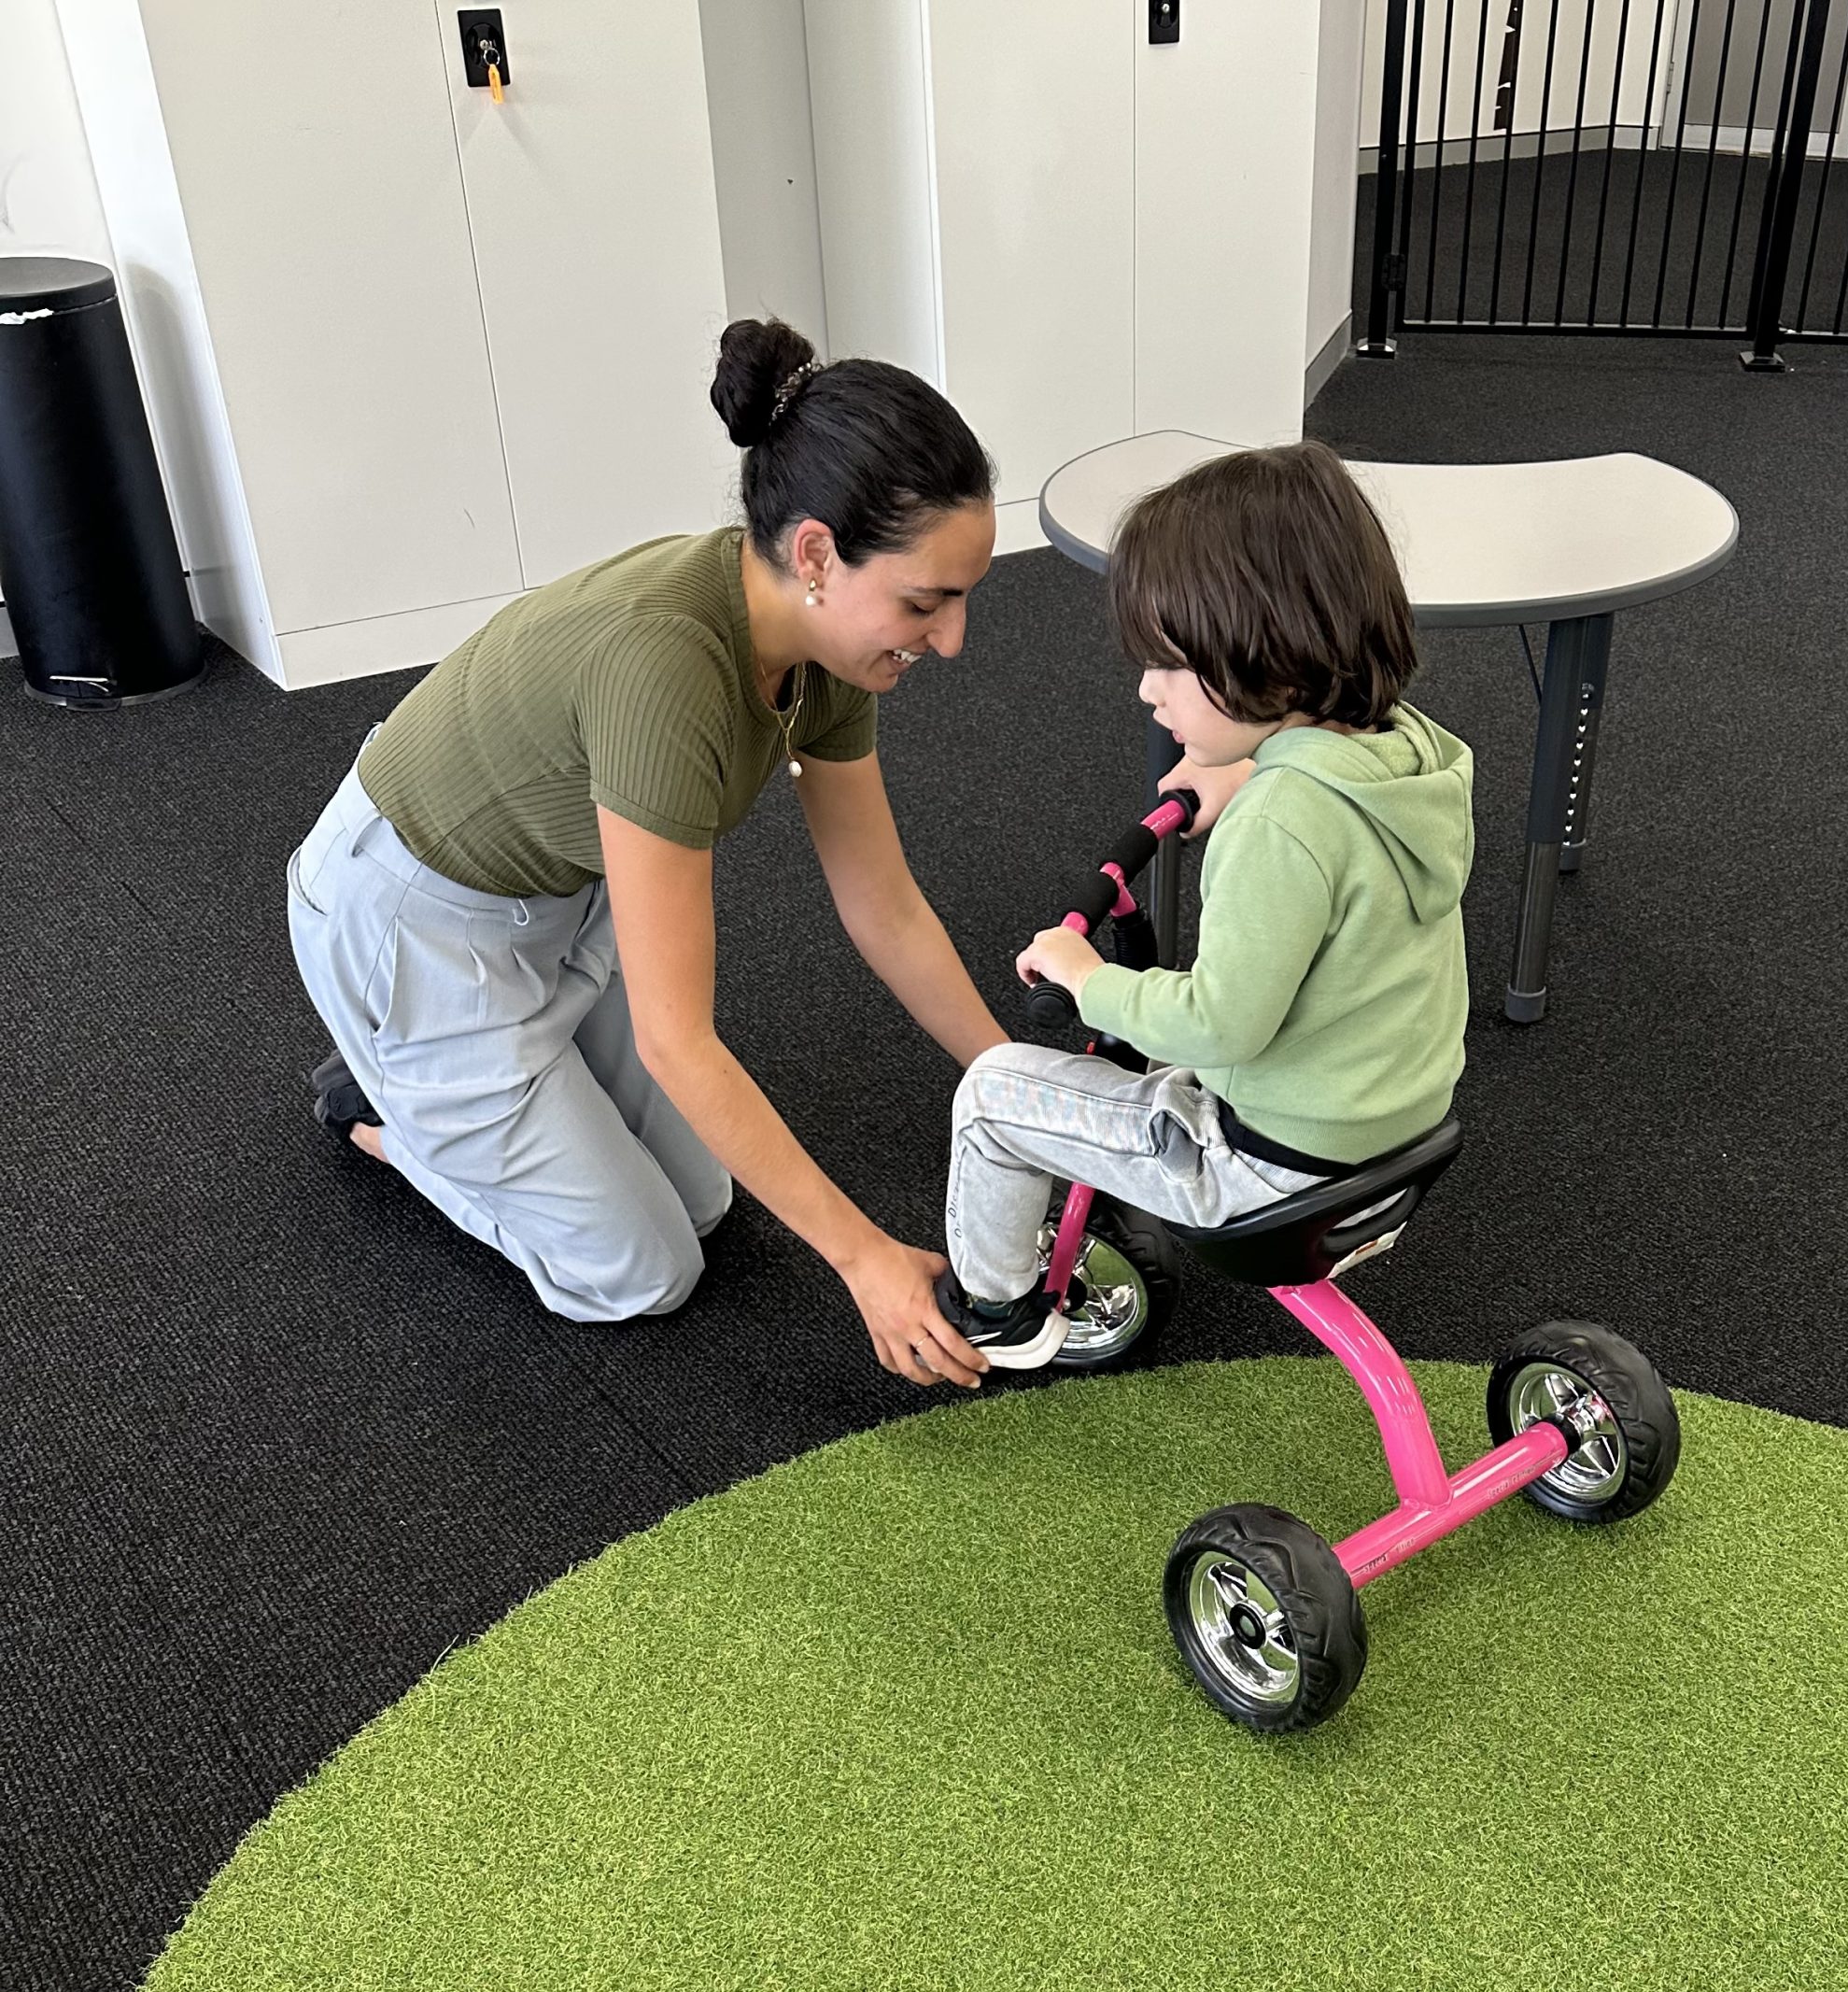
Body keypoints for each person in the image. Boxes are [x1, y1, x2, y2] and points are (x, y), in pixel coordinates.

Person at [288, 319, 1003, 1387]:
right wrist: (865, 1262)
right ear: (815, 553)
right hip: (407, 927)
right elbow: (680, 1039)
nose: (949, 640)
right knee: (638, 1270)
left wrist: (1016, 1086)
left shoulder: (824, 650)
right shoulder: (666, 667)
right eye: (923, 601)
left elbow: (884, 906)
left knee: (709, 1202)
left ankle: (472, 1092)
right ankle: (386, 1118)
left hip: (563, 903)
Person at [939, 440, 1474, 1366]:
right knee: (1138, 1070)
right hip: (1393, 1133)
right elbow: (1319, 816)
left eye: (1168, 664)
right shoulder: (1407, 759)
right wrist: (1255, 761)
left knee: (993, 1092)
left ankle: (999, 1314)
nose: (1147, 690)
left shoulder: (1283, 824)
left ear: (1259, 653)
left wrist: (1088, 978)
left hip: (1266, 1175)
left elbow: (1221, 1022)